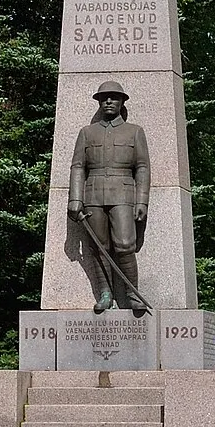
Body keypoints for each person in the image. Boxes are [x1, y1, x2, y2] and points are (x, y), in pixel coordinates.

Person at [67, 81, 150, 315]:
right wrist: (75, 198)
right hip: (93, 194)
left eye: (114, 97)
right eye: (104, 98)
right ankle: (105, 293)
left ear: (122, 101)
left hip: (124, 194)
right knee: (98, 247)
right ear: (99, 102)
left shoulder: (134, 131)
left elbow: (142, 167)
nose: (109, 102)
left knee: (125, 244)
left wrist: (142, 201)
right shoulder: (87, 132)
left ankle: (133, 293)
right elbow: (78, 166)